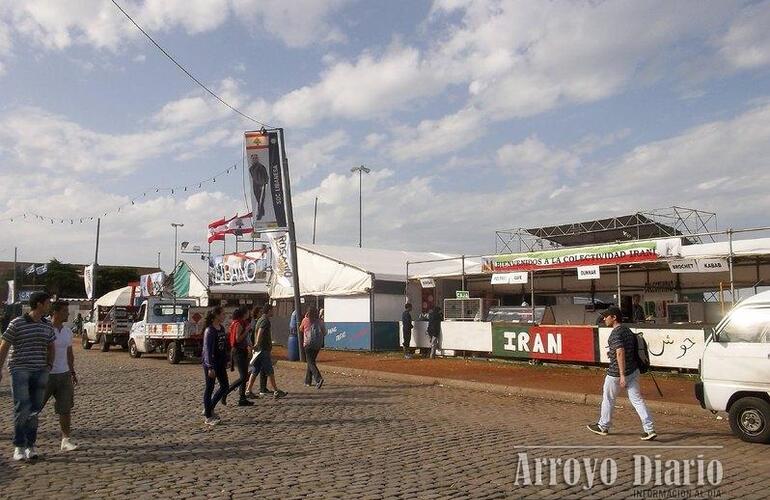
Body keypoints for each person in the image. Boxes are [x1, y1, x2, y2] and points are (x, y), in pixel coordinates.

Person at [587, 306, 656, 441]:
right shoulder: (627, 330)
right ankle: (649, 429)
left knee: (608, 399)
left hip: (616, 373)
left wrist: (622, 374)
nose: (604, 318)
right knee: (637, 400)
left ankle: (603, 426)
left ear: (614, 318)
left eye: (606, 316)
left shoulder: (615, 334)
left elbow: (620, 352)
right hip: (633, 370)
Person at [0, 291, 55, 461]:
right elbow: (4, 345)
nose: (50, 306)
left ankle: (31, 445)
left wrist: (49, 365)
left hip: (40, 370)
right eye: (48, 303)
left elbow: (51, 346)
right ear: (39, 304)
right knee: (22, 407)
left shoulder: (47, 325)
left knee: (34, 410)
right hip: (20, 369)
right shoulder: (17, 323)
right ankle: (19, 445)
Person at [42, 301, 79, 451]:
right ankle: (26, 439)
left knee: (65, 408)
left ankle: (66, 439)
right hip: (46, 375)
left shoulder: (67, 331)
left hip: (64, 374)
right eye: (65, 311)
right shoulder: (44, 330)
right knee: (35, 407)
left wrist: (72, 371)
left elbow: (69, 353)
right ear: (55, 313)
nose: (68, 313)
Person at [246, 304, 287, 399]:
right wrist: (257, 343)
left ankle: (248, 390)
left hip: (259, 350)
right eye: (272, 310)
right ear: (269, 311)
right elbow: (260, 331)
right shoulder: (265, 320)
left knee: (255, 370)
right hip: (263, 350)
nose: (273, 312)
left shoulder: (260, 319)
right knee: (269, 370)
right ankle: (276, 391)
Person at [202, 307, 229, 425]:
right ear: (216, 316)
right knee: (210, 388)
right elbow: (207, 350)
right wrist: (210, 366)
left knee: (225, 386)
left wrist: (227, 359)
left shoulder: (221, 328)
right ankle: (208, 417)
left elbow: (223, 346)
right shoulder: (209, 330)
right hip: (211, 363)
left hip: (220, 362)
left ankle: (209, 407)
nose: (224, 316)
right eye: (222, 314)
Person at [226, 306, 253, 407]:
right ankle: (226, 391)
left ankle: (242, 398)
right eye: (248, 312)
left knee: (245, 376)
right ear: (244, 313)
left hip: (241, 350)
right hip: (238, 351)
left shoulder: (239, 323)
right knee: (243, 377)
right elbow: (238, 339)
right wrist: (246, 330)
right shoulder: (239, 324)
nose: (249, 314)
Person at [302, 307, 325, 388]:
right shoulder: (320, 321)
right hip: (317, 344)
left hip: (308, 344)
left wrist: (305, 318)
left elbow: (300, 328)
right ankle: (307, 381)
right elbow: (325, 332)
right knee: (311, 362)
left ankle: (318, 378)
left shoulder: (306, 320)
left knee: (310, 362)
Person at [249, 154, 269, 220]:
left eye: (256, 158)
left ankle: (260, 214)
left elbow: (266, 177)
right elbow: (254, 177)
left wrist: (263, 184)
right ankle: (262, 212)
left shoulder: (261, 167)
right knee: (258, 200)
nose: (254, 159)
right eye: (253, 158)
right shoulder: (251, 169)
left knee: (261, 200)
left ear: (258, 159)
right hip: (255, 186)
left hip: (261, 185)